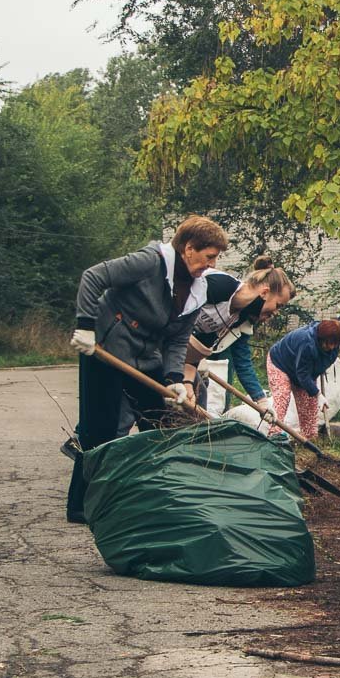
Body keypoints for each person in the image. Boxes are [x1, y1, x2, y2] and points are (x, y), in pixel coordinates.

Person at [66, 215, 230, 524]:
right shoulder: (149, 262)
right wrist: (86, 327)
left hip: (144, 358)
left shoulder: (196, 288)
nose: (211, 264)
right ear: (189, 248)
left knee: (158, 421)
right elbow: (92, 277)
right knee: (98, 428)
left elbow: (178, 338)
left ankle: (149, 495)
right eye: (209, 256)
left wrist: (174, 379)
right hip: (104, 350)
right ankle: (81, 506)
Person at [185, 255, 295, 415]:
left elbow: (241, 362)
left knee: (198, 396)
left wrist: (261, 400)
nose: (276, 313)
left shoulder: (238, 318)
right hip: (159, 342)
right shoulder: (219, 286)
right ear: (265, 292)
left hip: (181, 355)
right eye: (278, 305)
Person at [266, 319, 340, 441]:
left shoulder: (335, 345)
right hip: (280, 364)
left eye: (335, 343)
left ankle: (309, 442)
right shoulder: (306, 343)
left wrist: (319, 368)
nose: (332, 347)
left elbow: (313, 368)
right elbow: (302, 375)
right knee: (282, 397)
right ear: (321, 338)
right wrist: (318, 394)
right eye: (329, 343)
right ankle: (273, 438)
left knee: (309, 407)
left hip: (302, 369)